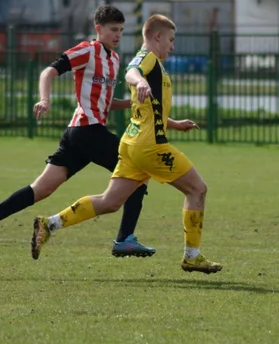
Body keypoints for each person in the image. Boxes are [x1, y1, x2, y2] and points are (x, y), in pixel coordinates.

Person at [31, 14, 222, 274]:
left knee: (110, 202)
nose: (172, 46)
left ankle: (49, 224)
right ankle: (192, 256)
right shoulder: (147, 58)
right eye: (171, 40)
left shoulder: (155, 64)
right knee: (197, 190)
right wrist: (140, 80)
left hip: (132, 144)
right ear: (157, 36)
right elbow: (132, 72)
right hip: (150, 147)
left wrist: (174, 123)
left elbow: (148, 110)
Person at [0, 4, 153, 259]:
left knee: (40, 190)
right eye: (112, 30)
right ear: (98, 29)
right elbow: (48, 72)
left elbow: (106, 103)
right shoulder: (88, 50)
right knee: (137, 174)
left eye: (121, 30)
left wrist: (132, 103)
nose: (117, 35)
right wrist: (45, 100)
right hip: (87, 131)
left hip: (80, 134)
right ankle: (124, 239)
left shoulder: (114, 59)